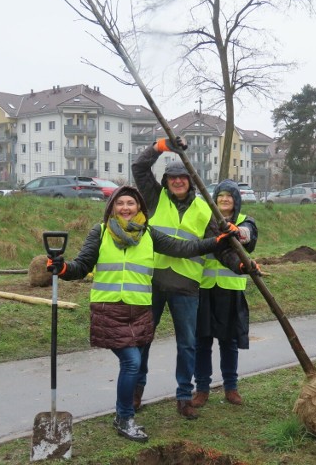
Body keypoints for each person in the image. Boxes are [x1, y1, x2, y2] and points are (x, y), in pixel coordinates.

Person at [45, 186, 235, 442]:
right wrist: (64, 268)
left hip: (139, 312)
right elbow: (82, 265)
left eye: (131, 204)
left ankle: (124, 413)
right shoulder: (100, 232)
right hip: (109, 309)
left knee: (133, 362)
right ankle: (124, 417)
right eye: (120, 203)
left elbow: (183, 248)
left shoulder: (149, 234)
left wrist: (217, 241)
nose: (125, 208)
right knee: (133, 362)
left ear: (139, 209)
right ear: (112, 207)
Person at [131, 137, 248, 420]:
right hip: (153, 282)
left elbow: (218, 246)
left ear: (191, 180)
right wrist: (160, 146)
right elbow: (139, 166)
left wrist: (240, 265)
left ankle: (184, 396)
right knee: (143, 338)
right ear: (166, 181)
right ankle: (136, 390)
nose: (178, 181)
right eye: (172, 177)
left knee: (187, 344)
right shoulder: (154, 198)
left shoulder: (204, 209)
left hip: (186, 287)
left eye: (183, 177)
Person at [191, 179, 258, 408]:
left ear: (236, 200)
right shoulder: (205, 222)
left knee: (228, 342)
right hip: (205, 287)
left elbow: (249, 236)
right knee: (202, 341)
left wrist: (237, 232)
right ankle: (201, 388)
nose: (225, 199)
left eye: (229, 196)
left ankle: (231, 387)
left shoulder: (244, 221)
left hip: (230, 290)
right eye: (220, 195)